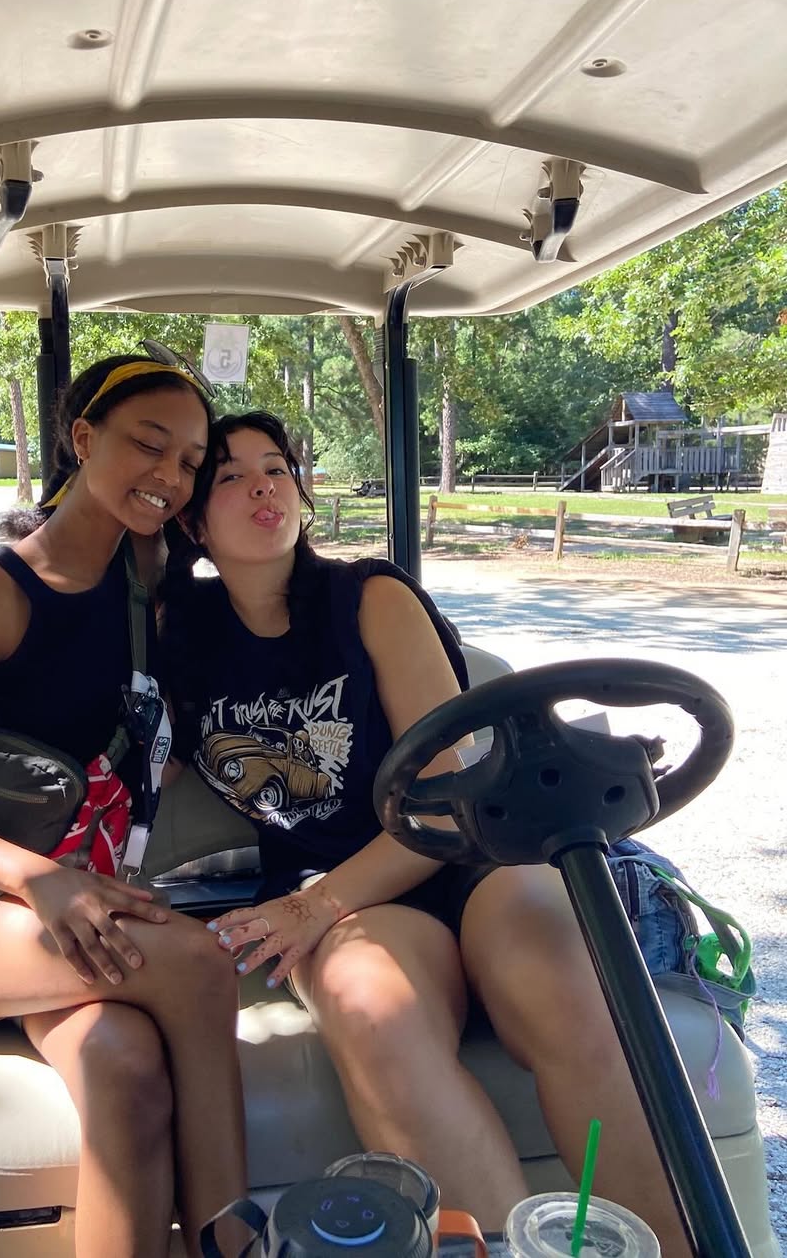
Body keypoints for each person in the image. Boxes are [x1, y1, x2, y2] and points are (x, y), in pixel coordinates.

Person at [160, 410, 689, 1254]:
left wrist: (313, 908)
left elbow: (446, 800)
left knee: (563, 983)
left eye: (276, 467)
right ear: (192, 521)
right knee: (375, 1011)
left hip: (467, 856)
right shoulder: (178, 638)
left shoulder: (370, 598)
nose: (263, 486)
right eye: (229, 476)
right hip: (346, 898)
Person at [0, 356, 246, 1258]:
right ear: (83, 439)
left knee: (126, 1071)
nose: (170, 477)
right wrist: (40, 881)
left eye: (189, 462)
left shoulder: (156, 575)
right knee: (200, 968)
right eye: (149, 445)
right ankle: (231, 1243)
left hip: (90, 904)